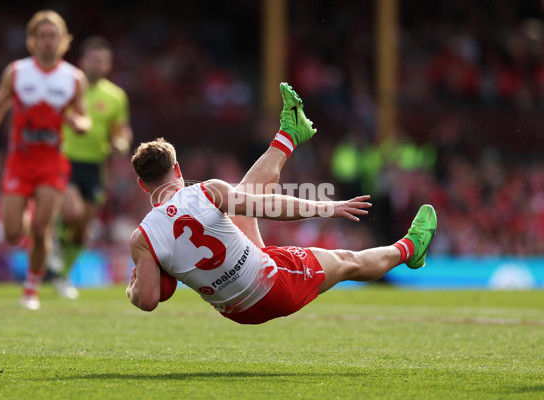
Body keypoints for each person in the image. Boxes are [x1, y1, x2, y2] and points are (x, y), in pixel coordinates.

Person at [126, 83, 437, 324]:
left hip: (235, 310)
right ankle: (409, 249)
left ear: (142, 185)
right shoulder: (208, 192)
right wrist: (326, 208)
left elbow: (149, 298)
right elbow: (268, 206)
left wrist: (132, 289)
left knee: (246, 192)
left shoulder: (142, 238)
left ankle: (289, 134)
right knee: (346, 261)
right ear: (178, 170)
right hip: (271, 287)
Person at [0, 10, 91, 310]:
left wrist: (79, 125)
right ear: (32, 40)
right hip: (20, 161)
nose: (48, 41)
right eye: (42, 36)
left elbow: (82, 117)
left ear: (62, 40)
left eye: (53, 36)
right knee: (11, 233)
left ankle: (31, 288)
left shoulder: (73, 78)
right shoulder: (17, 72)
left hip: (51, 163)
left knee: (43, 229)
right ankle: (27, 218)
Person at [48, 36, 133, 299]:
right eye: (93, 60)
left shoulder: (116, 96)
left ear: (108, 65)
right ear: (83, 62)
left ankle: (62, 276)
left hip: (95, 165)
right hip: (66, 159)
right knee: (71, 211)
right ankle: (53, 249)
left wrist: (121, 142)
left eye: (103, 61)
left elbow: (121, 130)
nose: (98, 65)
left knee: (84, 230)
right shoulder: (67, 86)